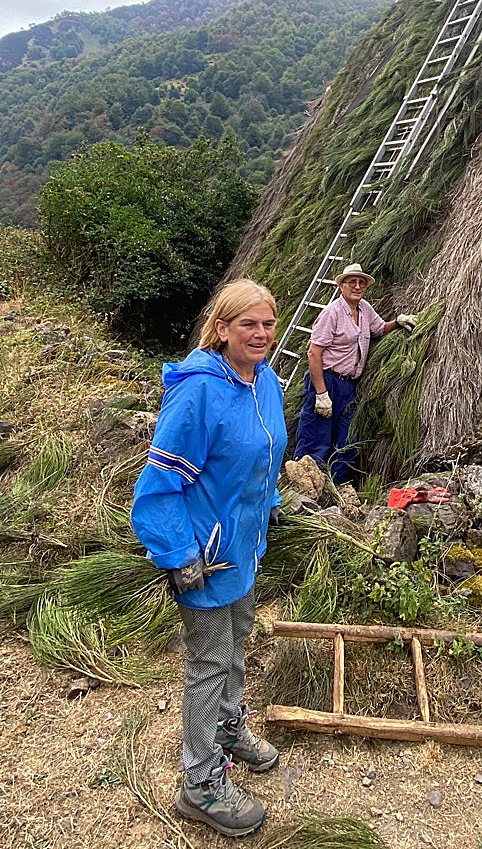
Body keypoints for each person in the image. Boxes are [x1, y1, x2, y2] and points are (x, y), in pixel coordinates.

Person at [131, 278, 287, 839]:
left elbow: (264, 454)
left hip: (244, 546)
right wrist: (178, 553)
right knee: (210, 661)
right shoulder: (199, 392)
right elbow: (158, 485)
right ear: (222, 329)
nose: (261, 334)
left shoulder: (265, 381)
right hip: (206, 555)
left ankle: (227, 729)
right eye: (248, 324)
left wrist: (270, 504)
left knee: (237, 642)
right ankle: (198, 782)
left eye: (267, 323)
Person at [293, 262, 417, 486]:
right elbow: (314, 353)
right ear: (342, 286)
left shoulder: (365, 309)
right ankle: (305, 489)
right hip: (326, 380)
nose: (357, 286)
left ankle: (336, 488)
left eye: (361, 283)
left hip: (348, 385)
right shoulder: (331, 313)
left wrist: (398, 322)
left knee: (348, 439)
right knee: (317, 438)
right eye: (352, 282)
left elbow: (379, 329)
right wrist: (321, 393)